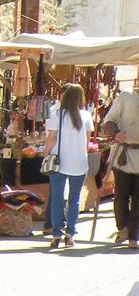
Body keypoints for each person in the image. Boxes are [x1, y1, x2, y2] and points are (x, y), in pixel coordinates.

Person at [44, 83, 93, 249]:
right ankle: (70, 234)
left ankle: (57, 234)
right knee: (74, 199)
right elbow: (87, 142)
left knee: (57, 198)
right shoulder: (86, 116)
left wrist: (45, 153)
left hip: (59, 162)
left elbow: (51, 138)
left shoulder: (57, 114)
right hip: (79, 162)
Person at [103, 88, 139, 249]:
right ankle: (123, 228)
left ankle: (133, 235)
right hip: (123, 155)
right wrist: (115, 132)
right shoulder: (126, 97)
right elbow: (109, 120)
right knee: (121, 195)